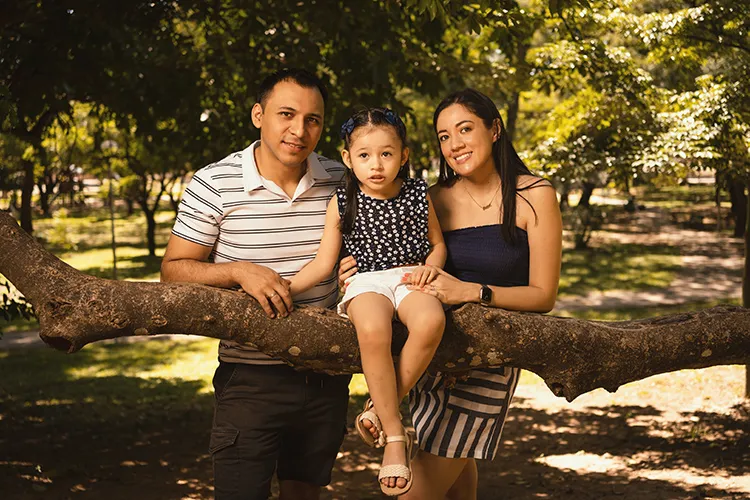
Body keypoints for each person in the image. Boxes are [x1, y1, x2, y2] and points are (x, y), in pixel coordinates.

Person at [341, 88, 562, 499]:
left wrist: (471, 291)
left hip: (489, 357)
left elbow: (543, 296)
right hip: (432, 353)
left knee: (415, 492)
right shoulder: (435, 198)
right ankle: (386, 411)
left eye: (465, 129)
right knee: (457, 483)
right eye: (444, 136)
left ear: (494, 129)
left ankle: (379, 408)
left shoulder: (535, 195)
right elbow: (391, 252)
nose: (454, 144)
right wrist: (353, 268)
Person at [160, 68, 351, 500]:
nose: (299, 130)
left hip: (327, 374)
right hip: (248, 379)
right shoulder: (214, 182)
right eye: (286, 114)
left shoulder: (344, 181)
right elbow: (173, 270)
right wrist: (236, 270)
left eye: (313, 119)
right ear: (258, 115)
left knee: (306, 494)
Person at [289, 107, 447, 496]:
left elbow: (438, 244)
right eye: (364, 155)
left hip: (411, 276)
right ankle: (395, 436)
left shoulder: (416, 194)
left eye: (386, 154)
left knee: (430, 322)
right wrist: (283, 287)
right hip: (366, 282)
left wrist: (433, 267)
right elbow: (325, 263)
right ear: (347, 158)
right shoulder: (342, 202)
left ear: (404, 155)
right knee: (373, 329)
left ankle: (379, 407)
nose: (375, 164)